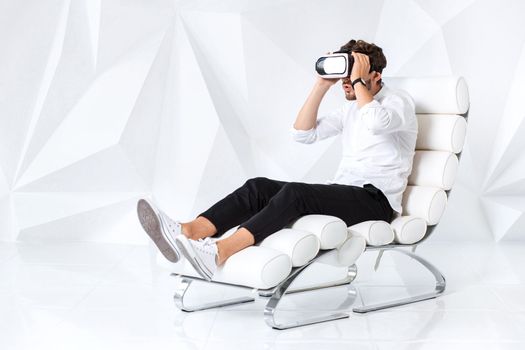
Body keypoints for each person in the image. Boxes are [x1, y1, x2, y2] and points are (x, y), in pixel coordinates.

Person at [137, 39, 417, 281]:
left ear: (376, 76)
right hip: (347, 192)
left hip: (376, 201)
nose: (347, 82)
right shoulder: (352, 109)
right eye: (345, 75)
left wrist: (358, 82)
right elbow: (302, 133)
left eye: (353, 75)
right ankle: (188, 232)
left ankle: (220, 252)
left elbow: (377, 122)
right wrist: (321, 85)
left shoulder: (397, 102)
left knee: (297, 194)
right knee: (258, 187)